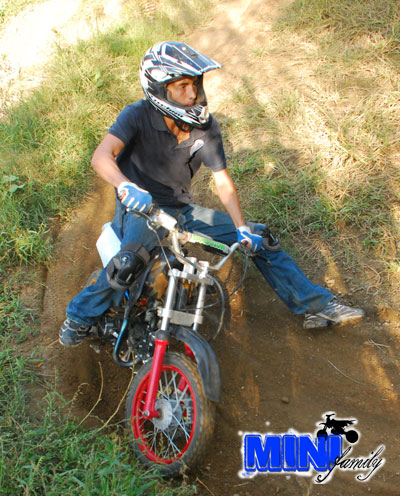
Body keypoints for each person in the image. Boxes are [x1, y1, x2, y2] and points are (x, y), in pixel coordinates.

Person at [59, 41, 364, 347]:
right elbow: (101, 157)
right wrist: (126, 187)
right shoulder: (137, 115)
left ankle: (316, 306)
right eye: (181, 86)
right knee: (129, 262)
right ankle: (79, 316)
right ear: (159, 89)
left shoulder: (206, 128)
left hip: (181, 211)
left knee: (261, 240)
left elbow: (223, 182)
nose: (192, 94)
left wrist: (242, 227)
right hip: (142, 208)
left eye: (194, 84)